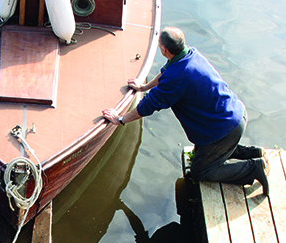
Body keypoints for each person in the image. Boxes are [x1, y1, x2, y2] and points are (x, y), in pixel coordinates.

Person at [102, 27, 269, 195]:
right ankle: (253, 152)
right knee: (201, 154)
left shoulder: (176, 78)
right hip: (236, 113)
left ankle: (252, 169)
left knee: (200, 172)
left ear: (164, 49)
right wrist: (143, 87)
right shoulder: (191, 54)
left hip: (224, 128)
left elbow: (148, 106)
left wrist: (120, 119)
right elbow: (166, 72)